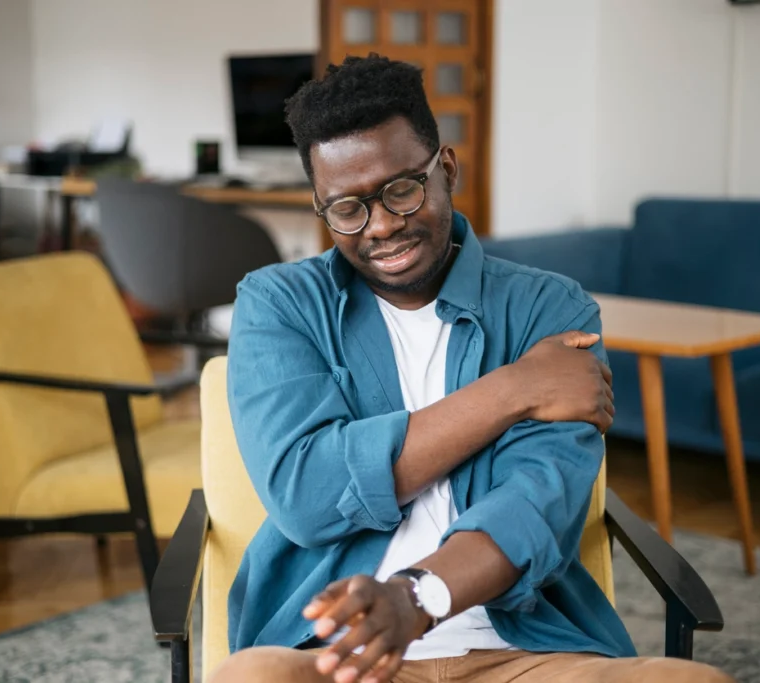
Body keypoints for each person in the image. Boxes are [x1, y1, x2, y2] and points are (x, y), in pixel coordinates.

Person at [214, 54, 733, 683]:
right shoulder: (280, 303)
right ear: (321, 207)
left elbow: (539, 499)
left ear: (446, 169)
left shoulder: (550, 309)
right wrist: (514, 389)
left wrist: (416, 598)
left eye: (401, 189)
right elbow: (306, 494)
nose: (381, 226)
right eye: (347, 209)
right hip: (333, 657)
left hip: (526, 650)